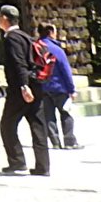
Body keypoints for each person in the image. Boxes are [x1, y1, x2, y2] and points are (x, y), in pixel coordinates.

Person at [0, 4, 51, 175]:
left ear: (5, 18)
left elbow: (19, 63)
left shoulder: (11, 38)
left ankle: (17, 161)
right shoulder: (26, 36)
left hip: (21, 89)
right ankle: (43, 166)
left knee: (7, 124)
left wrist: (23, 86)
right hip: (36, 85)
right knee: (38, 125)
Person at [35, 21, 81, 150]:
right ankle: (69, 141)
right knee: (66, 113)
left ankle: (55, 141)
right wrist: (71, 89)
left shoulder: (35, 47)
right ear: (51, 33)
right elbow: (65, 70)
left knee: (49, 116)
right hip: (59, 87)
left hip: (43, 87)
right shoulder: (57, 49)